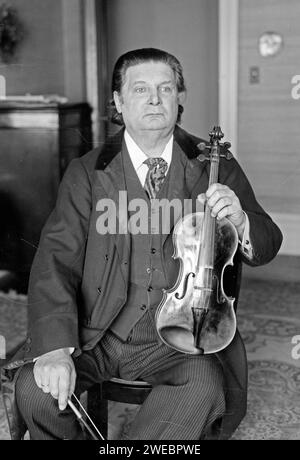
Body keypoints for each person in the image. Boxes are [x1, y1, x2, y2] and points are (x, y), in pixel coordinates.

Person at [3, 48, 282, 440]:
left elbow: (269, 241)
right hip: (96, 331)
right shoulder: (87, 171)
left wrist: (242, 221)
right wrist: (53, 350)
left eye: (165, 88)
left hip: (182, 337)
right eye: (140, 89)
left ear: (179, 98)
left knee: (203, 387)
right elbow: (55, 259)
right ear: (118, 102)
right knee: (35, 389)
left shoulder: (215, 164)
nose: (154, 99)